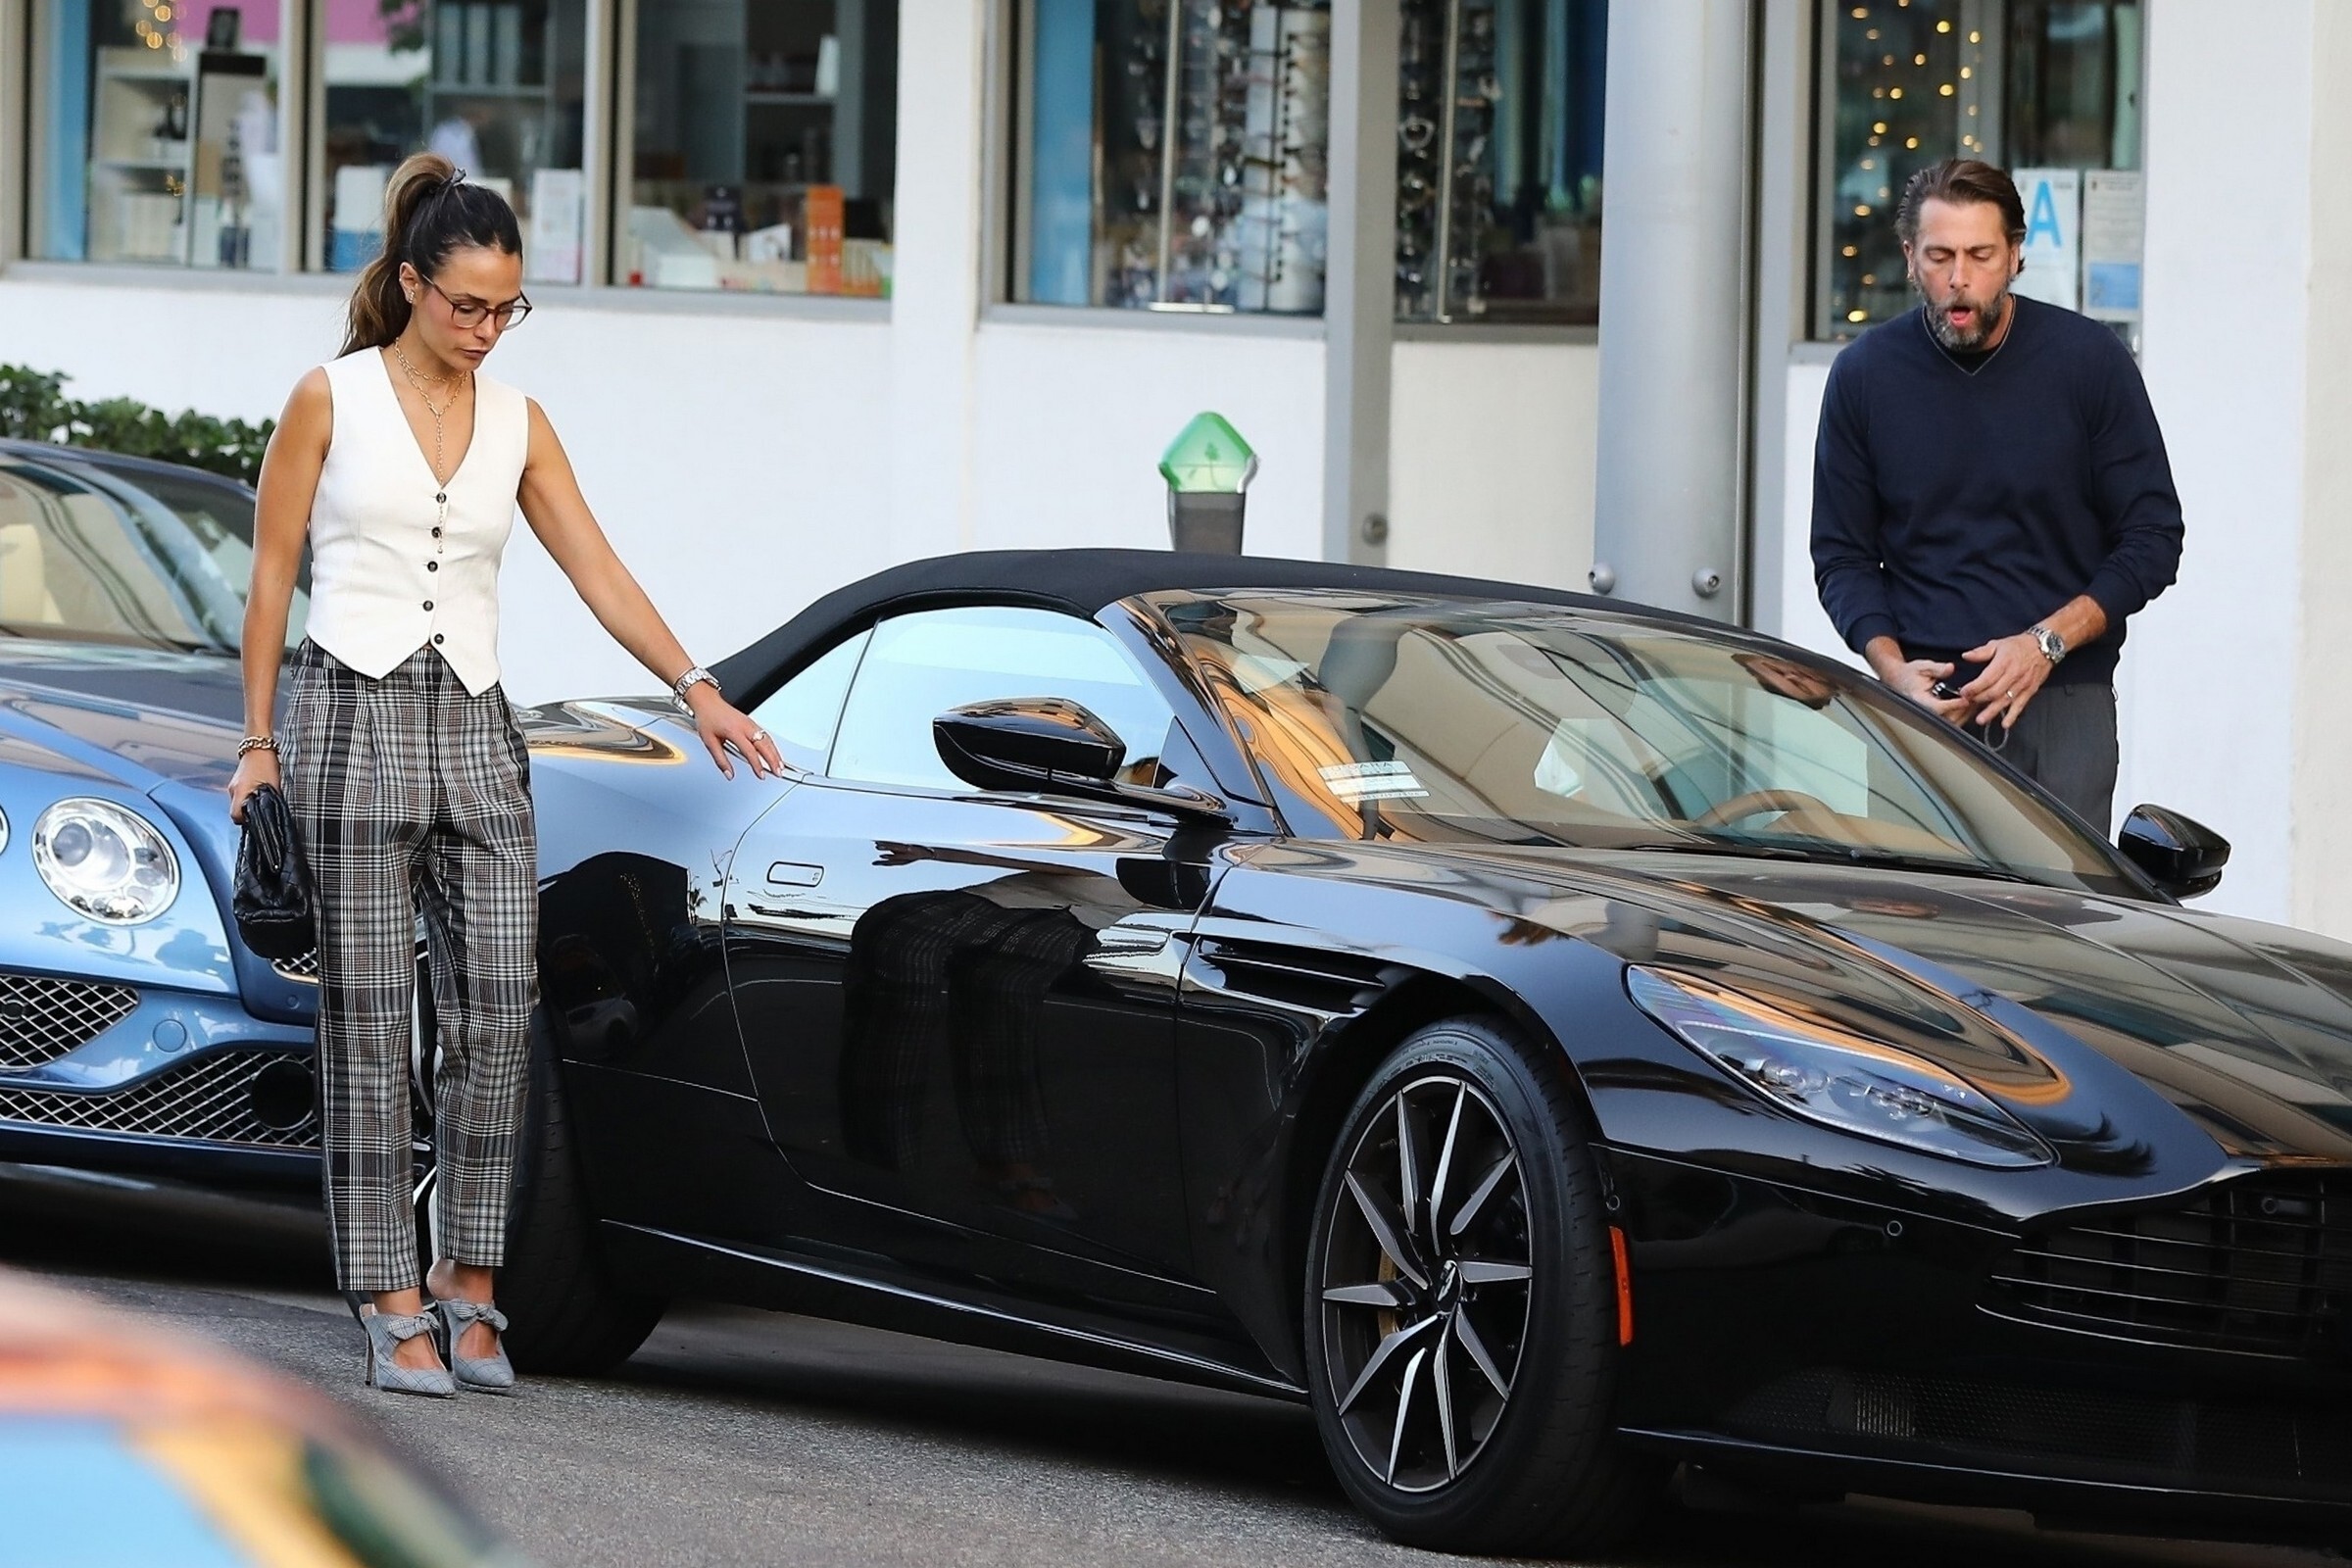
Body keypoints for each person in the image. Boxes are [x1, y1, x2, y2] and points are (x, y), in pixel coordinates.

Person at [227, 153, 785, 1397]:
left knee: (495, 1005)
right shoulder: (330, 398)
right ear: (412, 285)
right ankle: (387, 1290)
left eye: (507, 309)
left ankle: (469, 1274)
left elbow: (597, 566)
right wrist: (257, 740)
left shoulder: (522, 420)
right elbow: (270, 577)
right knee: (370, 1017)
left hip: (477, 724)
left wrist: (697, 685)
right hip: (350, 715)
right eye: (468, 305)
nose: (486, 329)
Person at [1810, 158, 2184, 830]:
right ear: (1909, 258)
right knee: (1913, 901)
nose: (1959, 277)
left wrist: (2045, 644)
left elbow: (2153, 538)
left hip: (2062, 699)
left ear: (2014, 256)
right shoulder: (1864, 376)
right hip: (1921, 708)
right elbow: (1842, 557)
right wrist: (1892, 673)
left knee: (2057, 900)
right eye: (1940, 256)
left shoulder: (2089, 361)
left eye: (1980, 255)